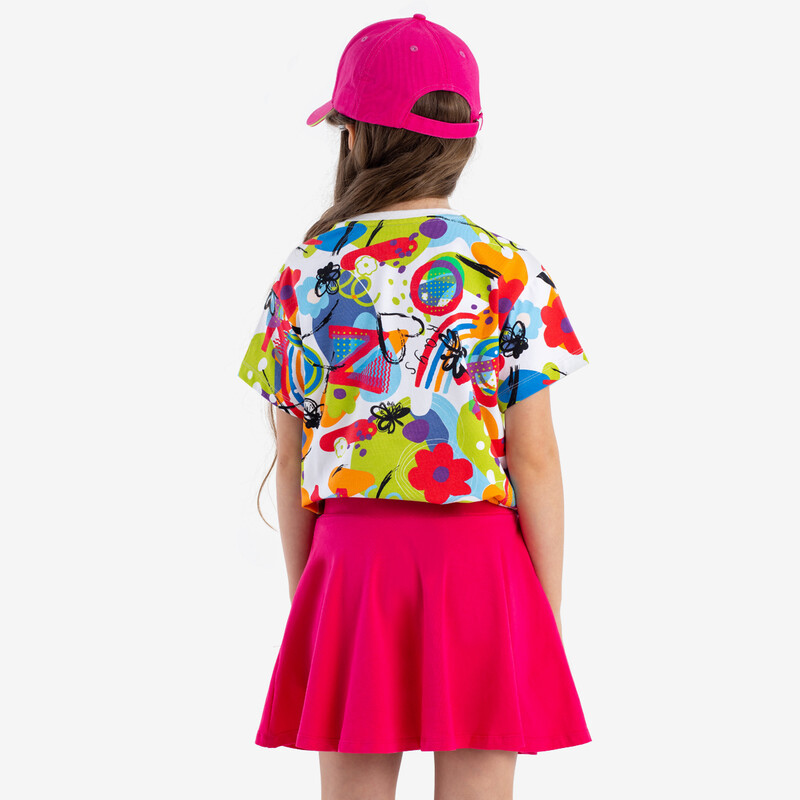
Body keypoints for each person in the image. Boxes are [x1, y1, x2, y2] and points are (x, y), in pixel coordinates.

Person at [237, 13, 592, 800]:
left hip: (352, 561)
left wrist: (310, 597)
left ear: (355, 137)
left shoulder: (308, 268)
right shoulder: (507, 268)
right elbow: (534, 458)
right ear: (463, 140)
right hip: (481, 565)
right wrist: (542, 613)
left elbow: (291, 460)